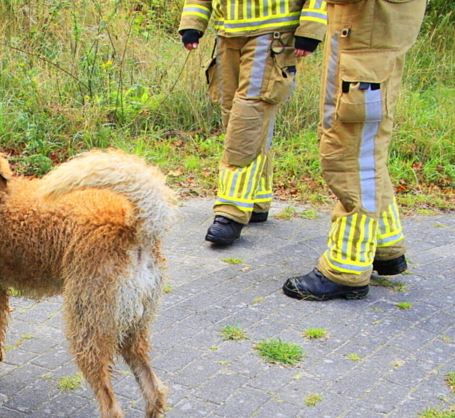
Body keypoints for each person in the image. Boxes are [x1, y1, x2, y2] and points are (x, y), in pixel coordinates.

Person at [283, 0, 427, 300]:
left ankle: (345, 270)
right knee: (363, 154)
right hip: (360, 53)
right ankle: (384, 246)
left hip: (365, 61)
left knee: (350, 160)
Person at [179, 0, 327, 246]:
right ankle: (257, 198)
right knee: (235, 116)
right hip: (227, 35)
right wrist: (193, 23)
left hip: (272, 34)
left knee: (248, 119)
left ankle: (231, 211)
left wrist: (310, 30)